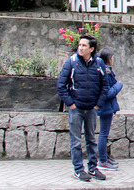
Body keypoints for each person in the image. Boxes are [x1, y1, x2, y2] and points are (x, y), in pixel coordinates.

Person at [56, 34, 109, 182]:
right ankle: (79, 170)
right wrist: (71, 104)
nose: (80, 47)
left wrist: (98, 104)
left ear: (91, 49)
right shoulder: (71, 63)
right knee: (76, 141)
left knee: (91, 139)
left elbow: (104, 86)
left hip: (91, 109)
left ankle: (93, 168)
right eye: (79, 45)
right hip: (76, 109)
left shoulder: (99, 63)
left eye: (84, 45)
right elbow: (61, 86)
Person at [97, 48, 123, 171]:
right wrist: (119, 86)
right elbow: (107, 93)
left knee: (104, 134)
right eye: (112, 57)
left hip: (107, 107)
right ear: (109, 59)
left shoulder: (106, 71)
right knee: (103, 134)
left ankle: (105, 158)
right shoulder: (105, 72)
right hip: (105, 107)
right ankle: (102, 160)